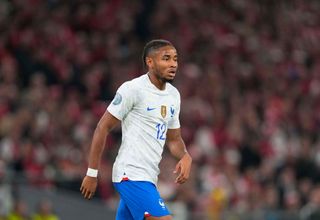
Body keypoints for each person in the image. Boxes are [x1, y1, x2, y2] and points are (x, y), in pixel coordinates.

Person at [80, 39, 192, 220]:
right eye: (166, 58)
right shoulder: (133, 89)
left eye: (175, 59)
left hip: (149, 177)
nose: (173, 64)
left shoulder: (173, 95)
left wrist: (185, 155)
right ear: (150, 62)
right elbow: (102, 127)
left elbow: (174, 139)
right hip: (130, 174)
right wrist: (92, 173)